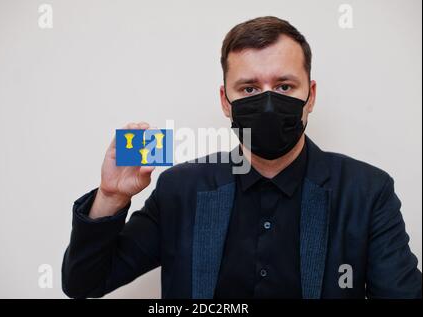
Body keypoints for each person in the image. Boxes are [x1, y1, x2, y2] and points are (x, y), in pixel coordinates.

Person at [62, 16, 422, 299]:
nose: (267, 103)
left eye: (284, 86)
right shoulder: (180, 189)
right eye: (249, 88)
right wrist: (111, 198)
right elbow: (84, 283)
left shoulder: (366, 191)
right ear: (225, 101)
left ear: (310, 96)